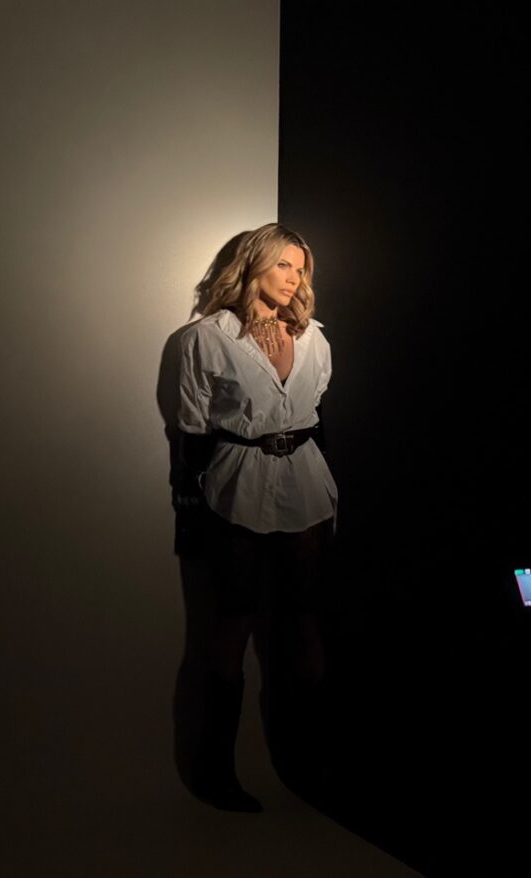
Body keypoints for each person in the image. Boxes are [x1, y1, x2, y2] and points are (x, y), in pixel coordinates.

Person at [169, 223, 337, 812]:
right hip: (237, 487)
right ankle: (214, 771)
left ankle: (309, 766)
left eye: (301, 268)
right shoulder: (204, 338)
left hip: (305, 487)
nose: (294, 278)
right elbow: (190, 428)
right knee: (230, 623)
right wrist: (187, 510)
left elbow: (315, 414)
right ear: (254, 264)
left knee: (304, 622)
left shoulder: (314, 338)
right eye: (283, 265)